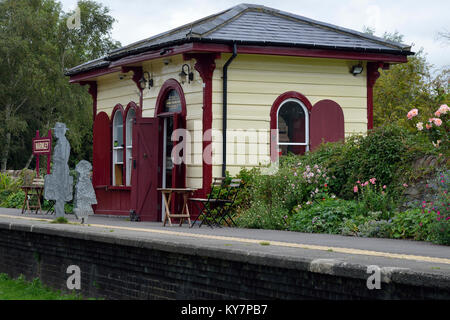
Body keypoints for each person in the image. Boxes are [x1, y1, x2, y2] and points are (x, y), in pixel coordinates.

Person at [44, 122, 73, 218]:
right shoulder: (60, 142)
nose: (54, 132)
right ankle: (59, 214)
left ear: (60, 131)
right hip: (58, 169)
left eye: (56, 130)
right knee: (57, 191)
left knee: (60, 192)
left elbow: (63, 158)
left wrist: (55, 159)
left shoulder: (63, 142)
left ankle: (60, 215)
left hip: (61, 170)